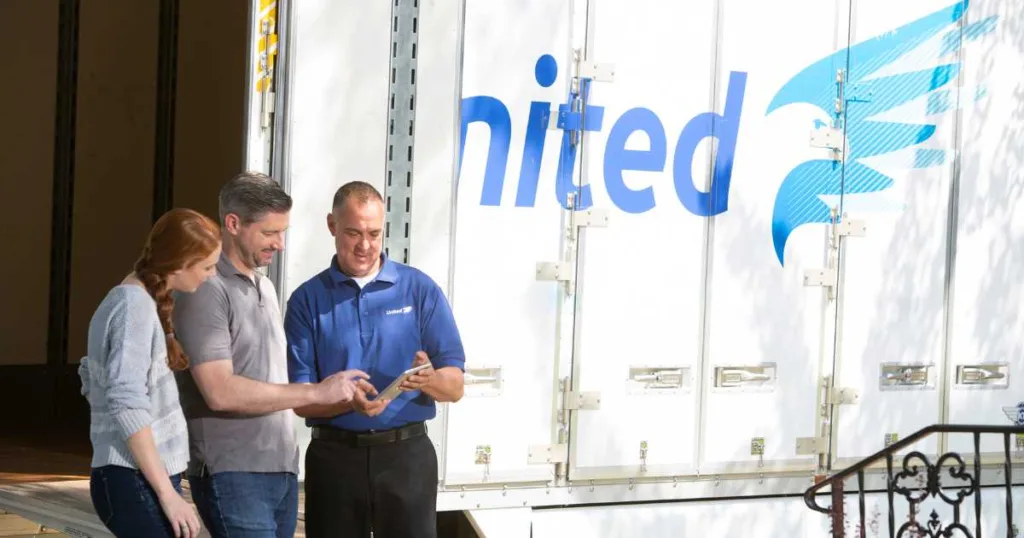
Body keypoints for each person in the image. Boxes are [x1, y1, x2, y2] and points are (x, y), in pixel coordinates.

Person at [172, 172, 366, 538]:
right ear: (233, 223)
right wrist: (314, 392)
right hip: (233, 473)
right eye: (269, 232)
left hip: (280, 471)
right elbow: (219, 391)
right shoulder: (206, 289)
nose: (279, 244)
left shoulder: (264, 285)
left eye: (283, 232)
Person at [284, 180, 467, 538]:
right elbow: (301, 400)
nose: (365, 245)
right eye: (353, 232)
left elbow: (456, 387)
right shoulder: (307, 300)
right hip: (334, 458)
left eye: (374, 232)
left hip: (407, 459)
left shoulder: (419, 289)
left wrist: (429, 379)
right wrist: (344, 402)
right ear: (331, 226)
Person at [79, 207, 220, 538]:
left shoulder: (137, 300)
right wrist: (168, 495)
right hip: (131, 477)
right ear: (180, 263)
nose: (211, 275)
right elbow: (126, 402)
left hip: (138, 477)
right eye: (207, 266)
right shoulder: (133, 307)